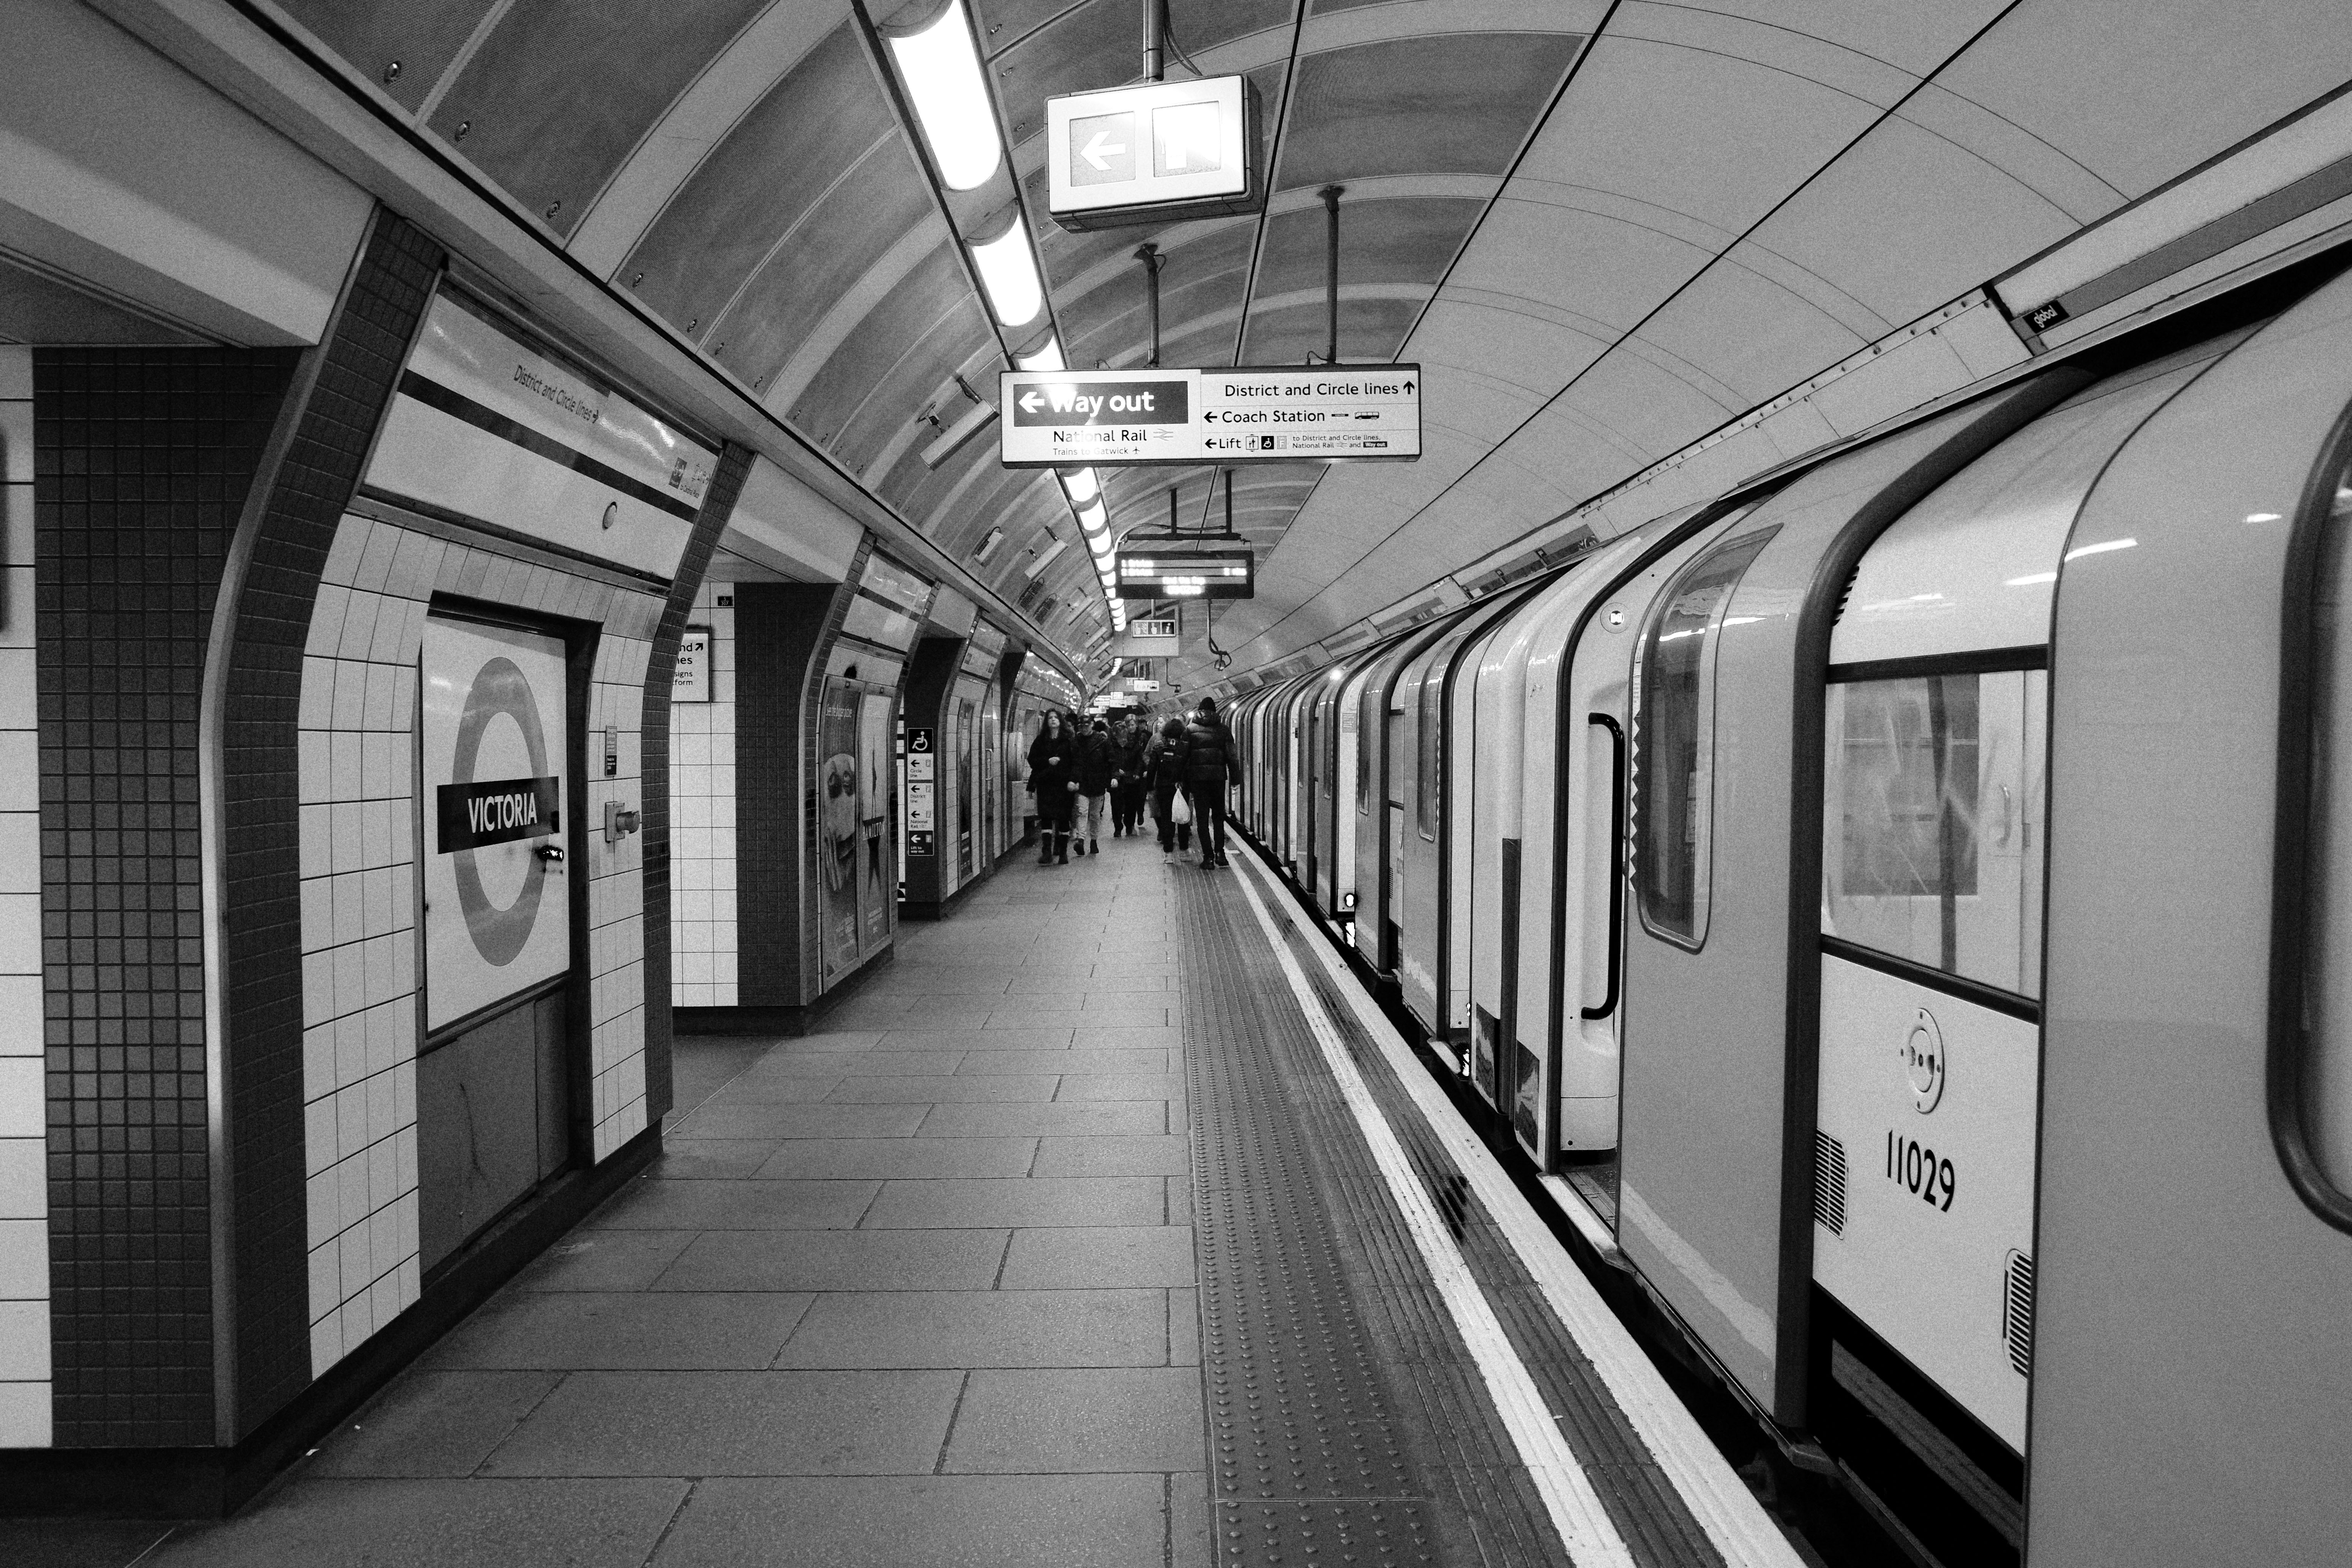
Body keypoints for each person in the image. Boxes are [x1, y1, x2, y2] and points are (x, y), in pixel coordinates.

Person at [1181, 698, 1241, 869]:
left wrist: (1178, 779)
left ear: (1200, 711)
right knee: (1218, 818)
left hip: (1198, 780)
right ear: (1215, 712)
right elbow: (1232, 757)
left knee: (1202, 819)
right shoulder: (1224, 730)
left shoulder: (1190, 730)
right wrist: (1235, 780)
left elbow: (1182, 758)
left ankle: (1208, 858)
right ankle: (1220, 854)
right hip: (1218, 780)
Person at [1026, 710, 1081, 865]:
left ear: (1060, 720)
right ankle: (1047, 852)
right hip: (1047, 784)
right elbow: (1032, 760)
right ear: (1046, 722)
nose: (1053, 720)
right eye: (1050, 718)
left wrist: (1073, 780)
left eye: (1056, 717)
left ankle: (1063, 853)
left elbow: (1077, 762)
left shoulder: (1069, 739)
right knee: (1046, 818)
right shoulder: (1041, 740)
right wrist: (1047, 761)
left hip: (1064, 785)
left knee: (1064, 818)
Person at [1147, 715, 1193, 857]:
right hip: (1181, 787)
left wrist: (1149, 787)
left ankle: (1168, 853)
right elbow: (1189, 768)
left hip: (1163, 787)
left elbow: (1152, 768)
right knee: (1183, 818)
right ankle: (1184, 850)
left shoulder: (1159, 746)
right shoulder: (1186, 747)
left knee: (1167, 819)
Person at [1075, 717, 1117, 855]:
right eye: (1082, 726)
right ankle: (1080, 840)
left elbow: (1112, 761)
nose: (1084, 729)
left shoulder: (1102, 742)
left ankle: (1094, 841)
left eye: (1087, 726)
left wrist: (1114, 777)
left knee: (1094, 815)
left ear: (1092, 725)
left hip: (1098, 783)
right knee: (1082, 812)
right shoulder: (1076, 742)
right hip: (1082, 783)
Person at [1112, 718, 1149, 836]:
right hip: (1118, 779)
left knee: (1131, 805)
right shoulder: (1112, 746)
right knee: (1117, 805)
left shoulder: (1135, 744)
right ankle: (1118, 827)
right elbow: (1110, 760)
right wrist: (1116, 771)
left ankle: (1130, 826)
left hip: (1132, 779)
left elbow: (1140, 759)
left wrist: (1137, 773)